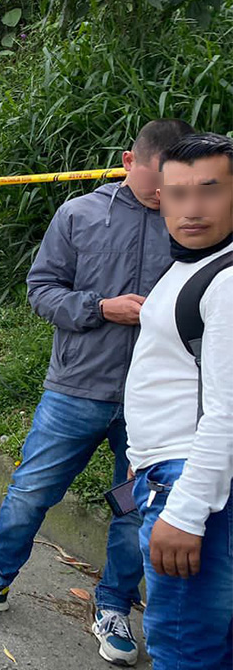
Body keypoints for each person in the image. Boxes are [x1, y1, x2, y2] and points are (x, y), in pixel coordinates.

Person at [0, 119, 195, 667]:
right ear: (128, 161)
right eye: (154, 177)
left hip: (158, 403)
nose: (163, 191)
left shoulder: (193, 225)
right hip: (77, 389)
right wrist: (101, 308)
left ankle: (114, 605)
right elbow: (42, 289)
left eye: (174, 179)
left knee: (134, 509)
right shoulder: (80, 215)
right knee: (31, 490)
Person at [124, 132, 233, 670]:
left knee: (184, 649)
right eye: (178, 193)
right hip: (167, 475)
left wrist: (186, 513)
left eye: (209, 191)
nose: (192, 209)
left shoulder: (227, 280)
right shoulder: (191, 263)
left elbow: (229, 411)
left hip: (193, 488)